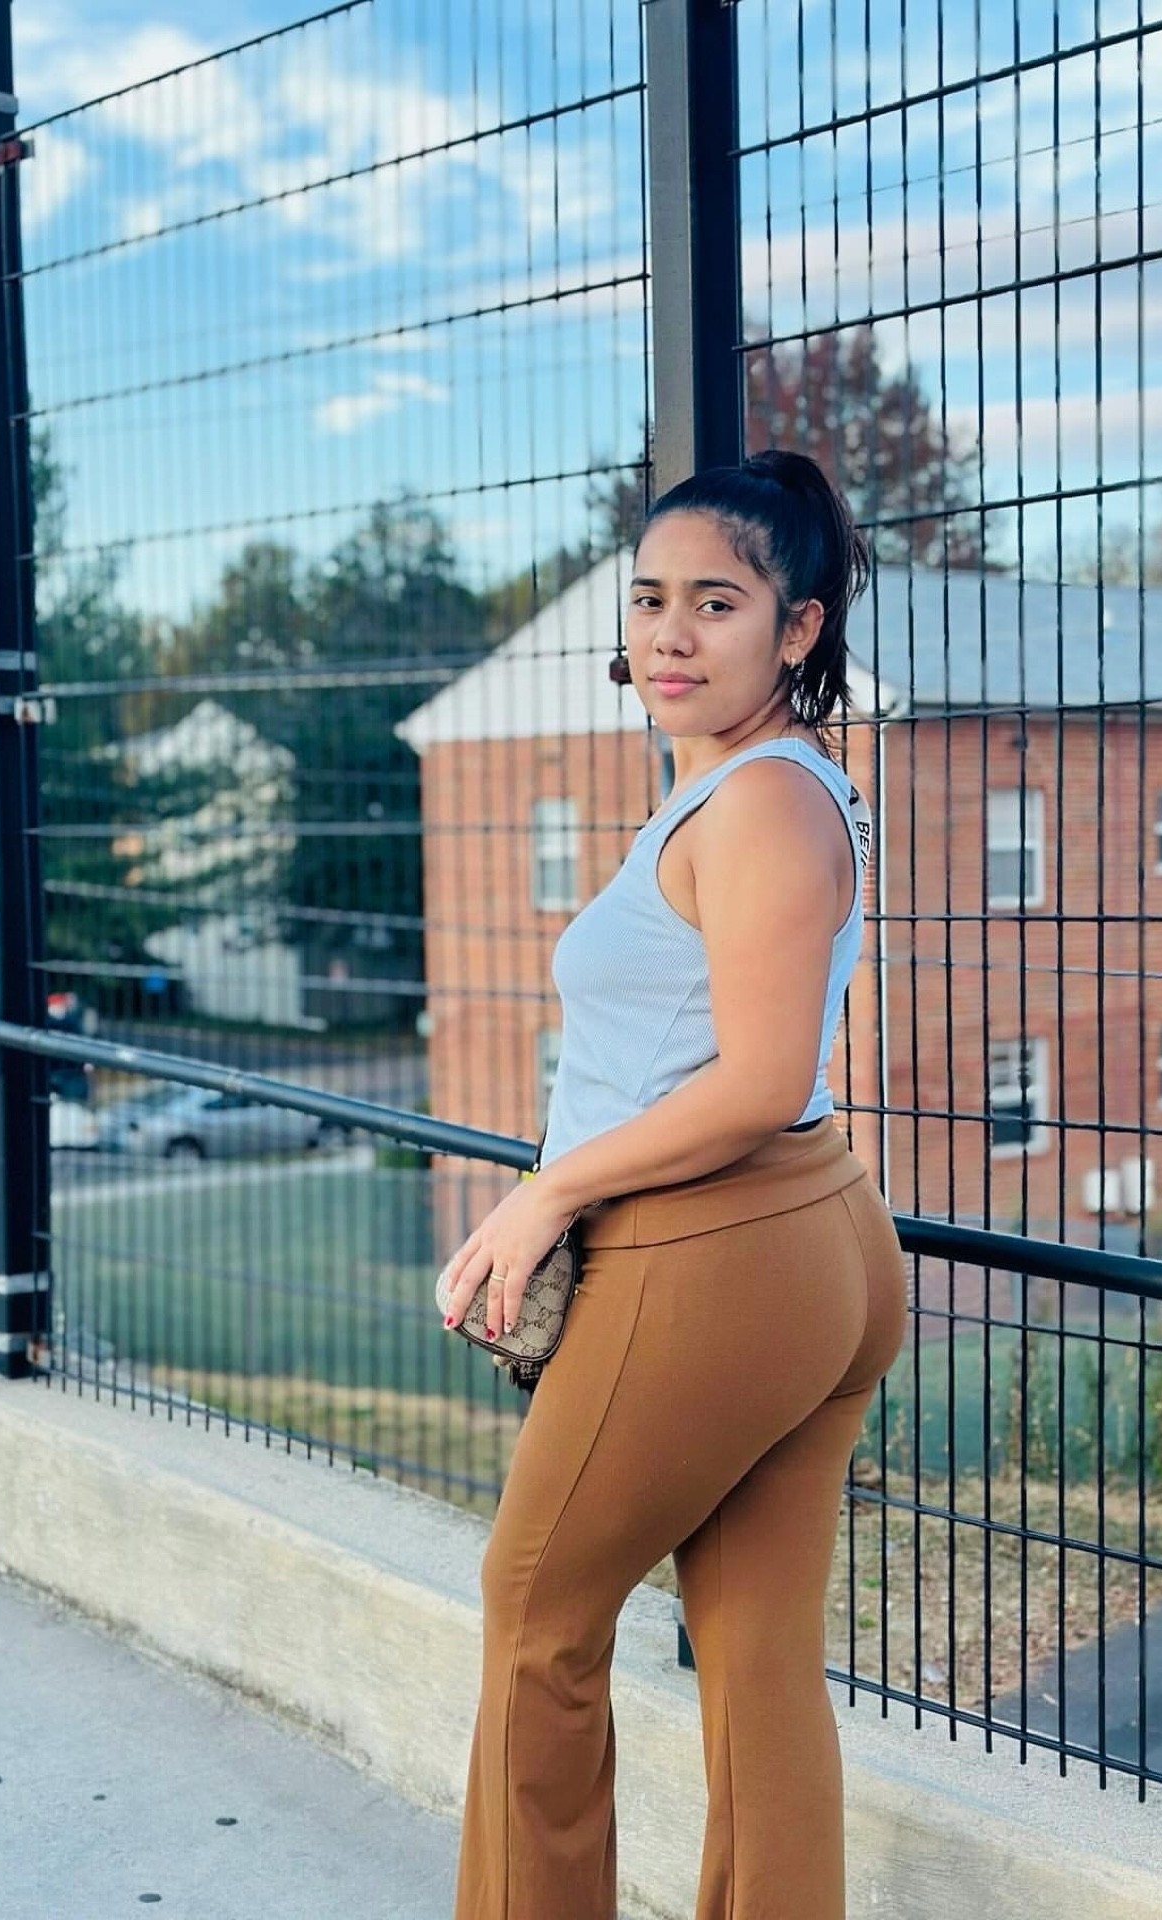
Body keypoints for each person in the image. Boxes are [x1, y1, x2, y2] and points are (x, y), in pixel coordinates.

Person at [437, 448, 909, 1920]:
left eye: (717, 603)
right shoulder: (761, 790)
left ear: (799, 627)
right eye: (650, 600)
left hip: (718, 1249)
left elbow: (757, 1078)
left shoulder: (762, 803)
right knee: (759, 1658)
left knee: (536, 1613)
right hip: (807, 1243)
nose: (671, 635)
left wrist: (547, 1193)